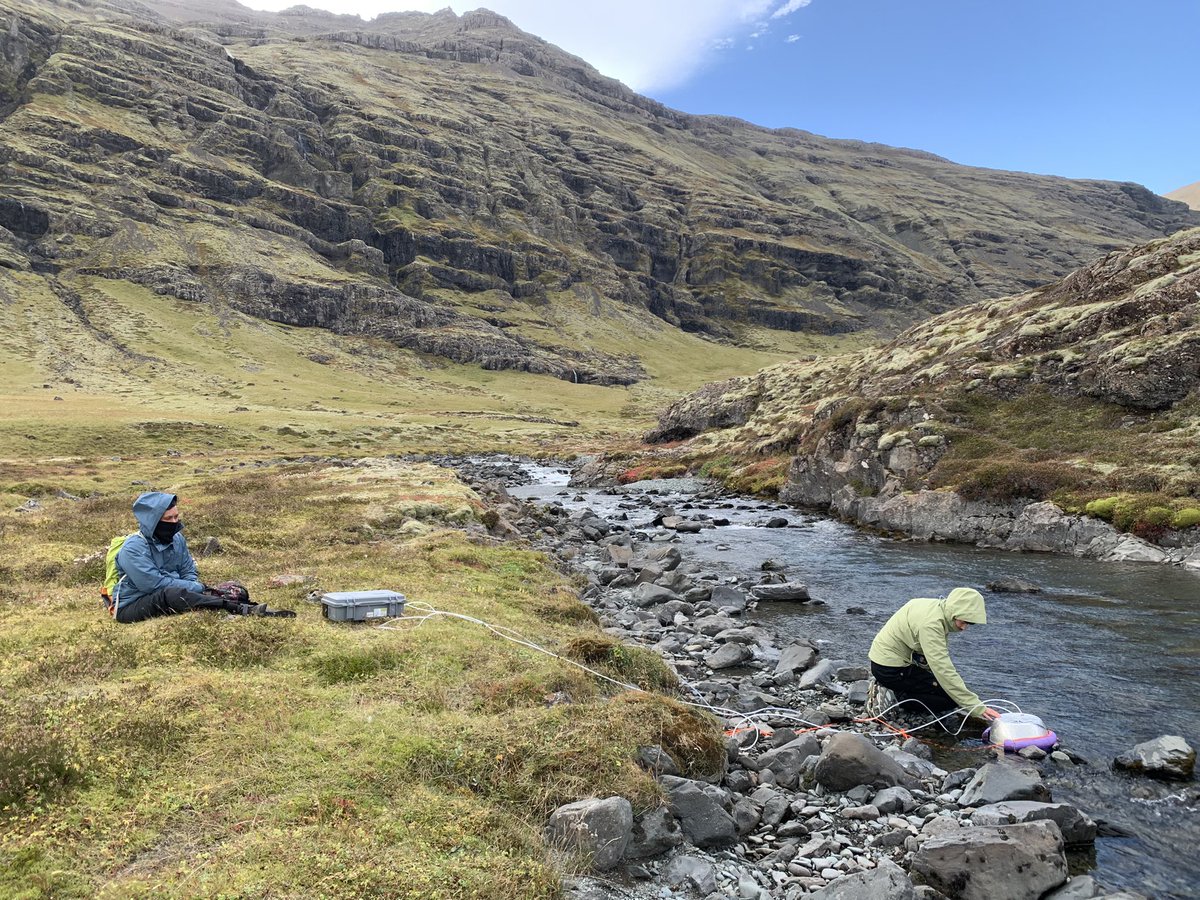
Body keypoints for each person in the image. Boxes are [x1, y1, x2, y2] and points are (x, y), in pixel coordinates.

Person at [112, 491, 294, 622]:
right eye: (168, 519)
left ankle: (224, 601)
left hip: (178, 591)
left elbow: (188, 569)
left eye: (177, 517)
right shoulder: (133, 548)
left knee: (236, 588)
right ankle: (238, 608)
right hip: (131, 606)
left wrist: (193, 587)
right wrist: (194, 587)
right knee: (170, 594)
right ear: (152, 522)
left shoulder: (177, 538)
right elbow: (153, 584)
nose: (175, 523)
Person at [868, 587, 999, 721]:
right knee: (950, 699)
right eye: (963, 622)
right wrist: (976, 707)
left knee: (948, 689)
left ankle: (894, 688)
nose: (964, 628)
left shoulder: (934, 607)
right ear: (954, 612)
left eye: (970, 623)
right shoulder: (932, 625)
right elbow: (942, 668)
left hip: (885, 659)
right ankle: (895, 698)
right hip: (890, 669)